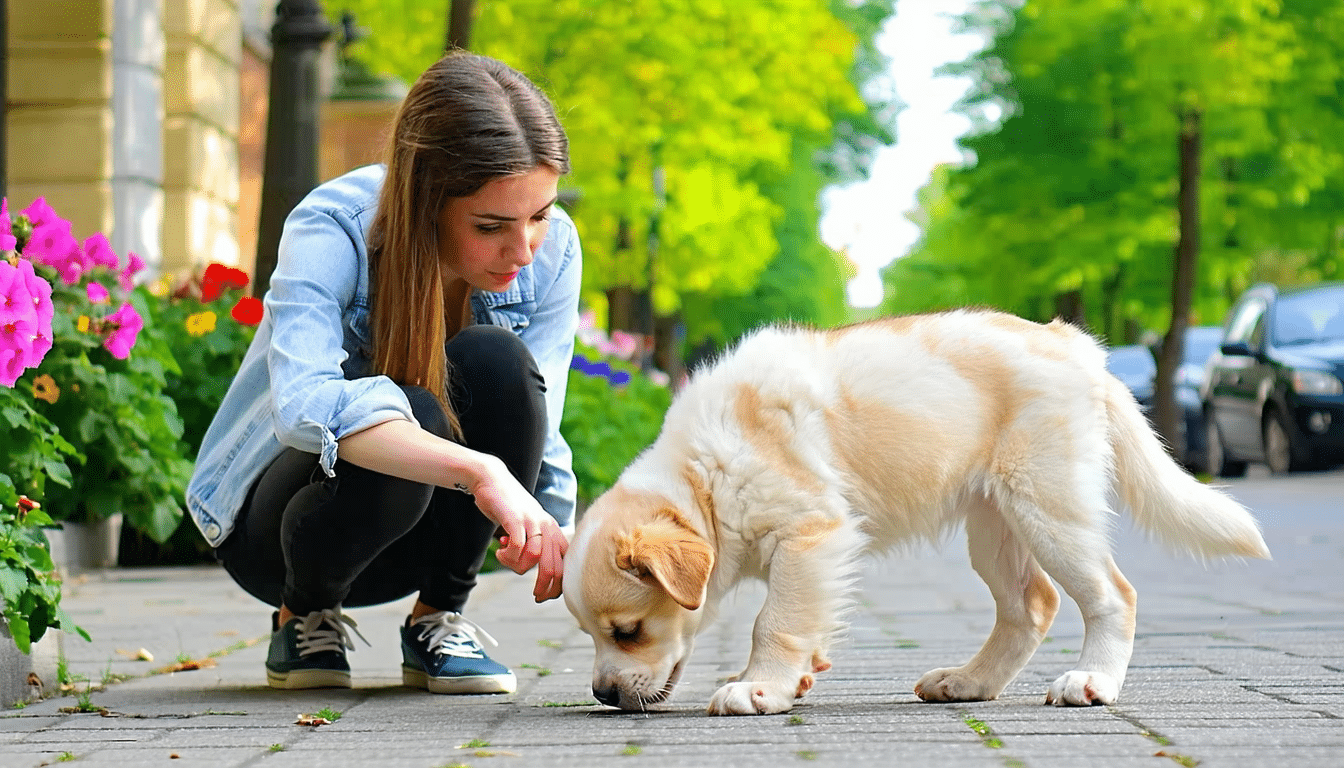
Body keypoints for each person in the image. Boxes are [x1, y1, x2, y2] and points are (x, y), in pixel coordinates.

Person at [185, 52, 580, 695]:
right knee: (408, 408)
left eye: (538, 214)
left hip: (426, 538)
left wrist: (559, 530)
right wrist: (483, 470)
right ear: (427, 198)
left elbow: (540, 411)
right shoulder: (333, 224)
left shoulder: (552, 249)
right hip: (283, 538)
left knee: (501, 363)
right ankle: (303, 618)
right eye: (491, 226)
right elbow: (305, 404)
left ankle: (438, 620)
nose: (525, 249)